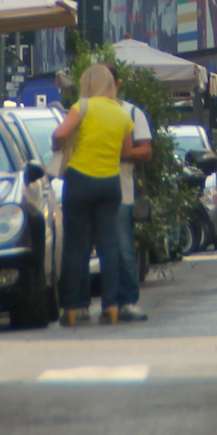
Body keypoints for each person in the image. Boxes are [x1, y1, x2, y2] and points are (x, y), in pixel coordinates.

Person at [52, 65, 134, 326]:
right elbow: (127, 150)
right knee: (108, 245)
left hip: (80, 180)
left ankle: (73, 308)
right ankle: (110, 306)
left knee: (76, 246)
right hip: (110, 183)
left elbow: (60, 133)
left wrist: (58, 147)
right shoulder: (122, 114)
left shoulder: (82, 107)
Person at [114, 95, 153, 322]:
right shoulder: (82, 110)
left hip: (122, 190)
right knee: (83, 249)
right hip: (91, 187)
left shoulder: (130, 112)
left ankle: (126, 302)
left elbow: (146, 151)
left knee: (122, 247)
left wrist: (117, 153)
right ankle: (79, 305)